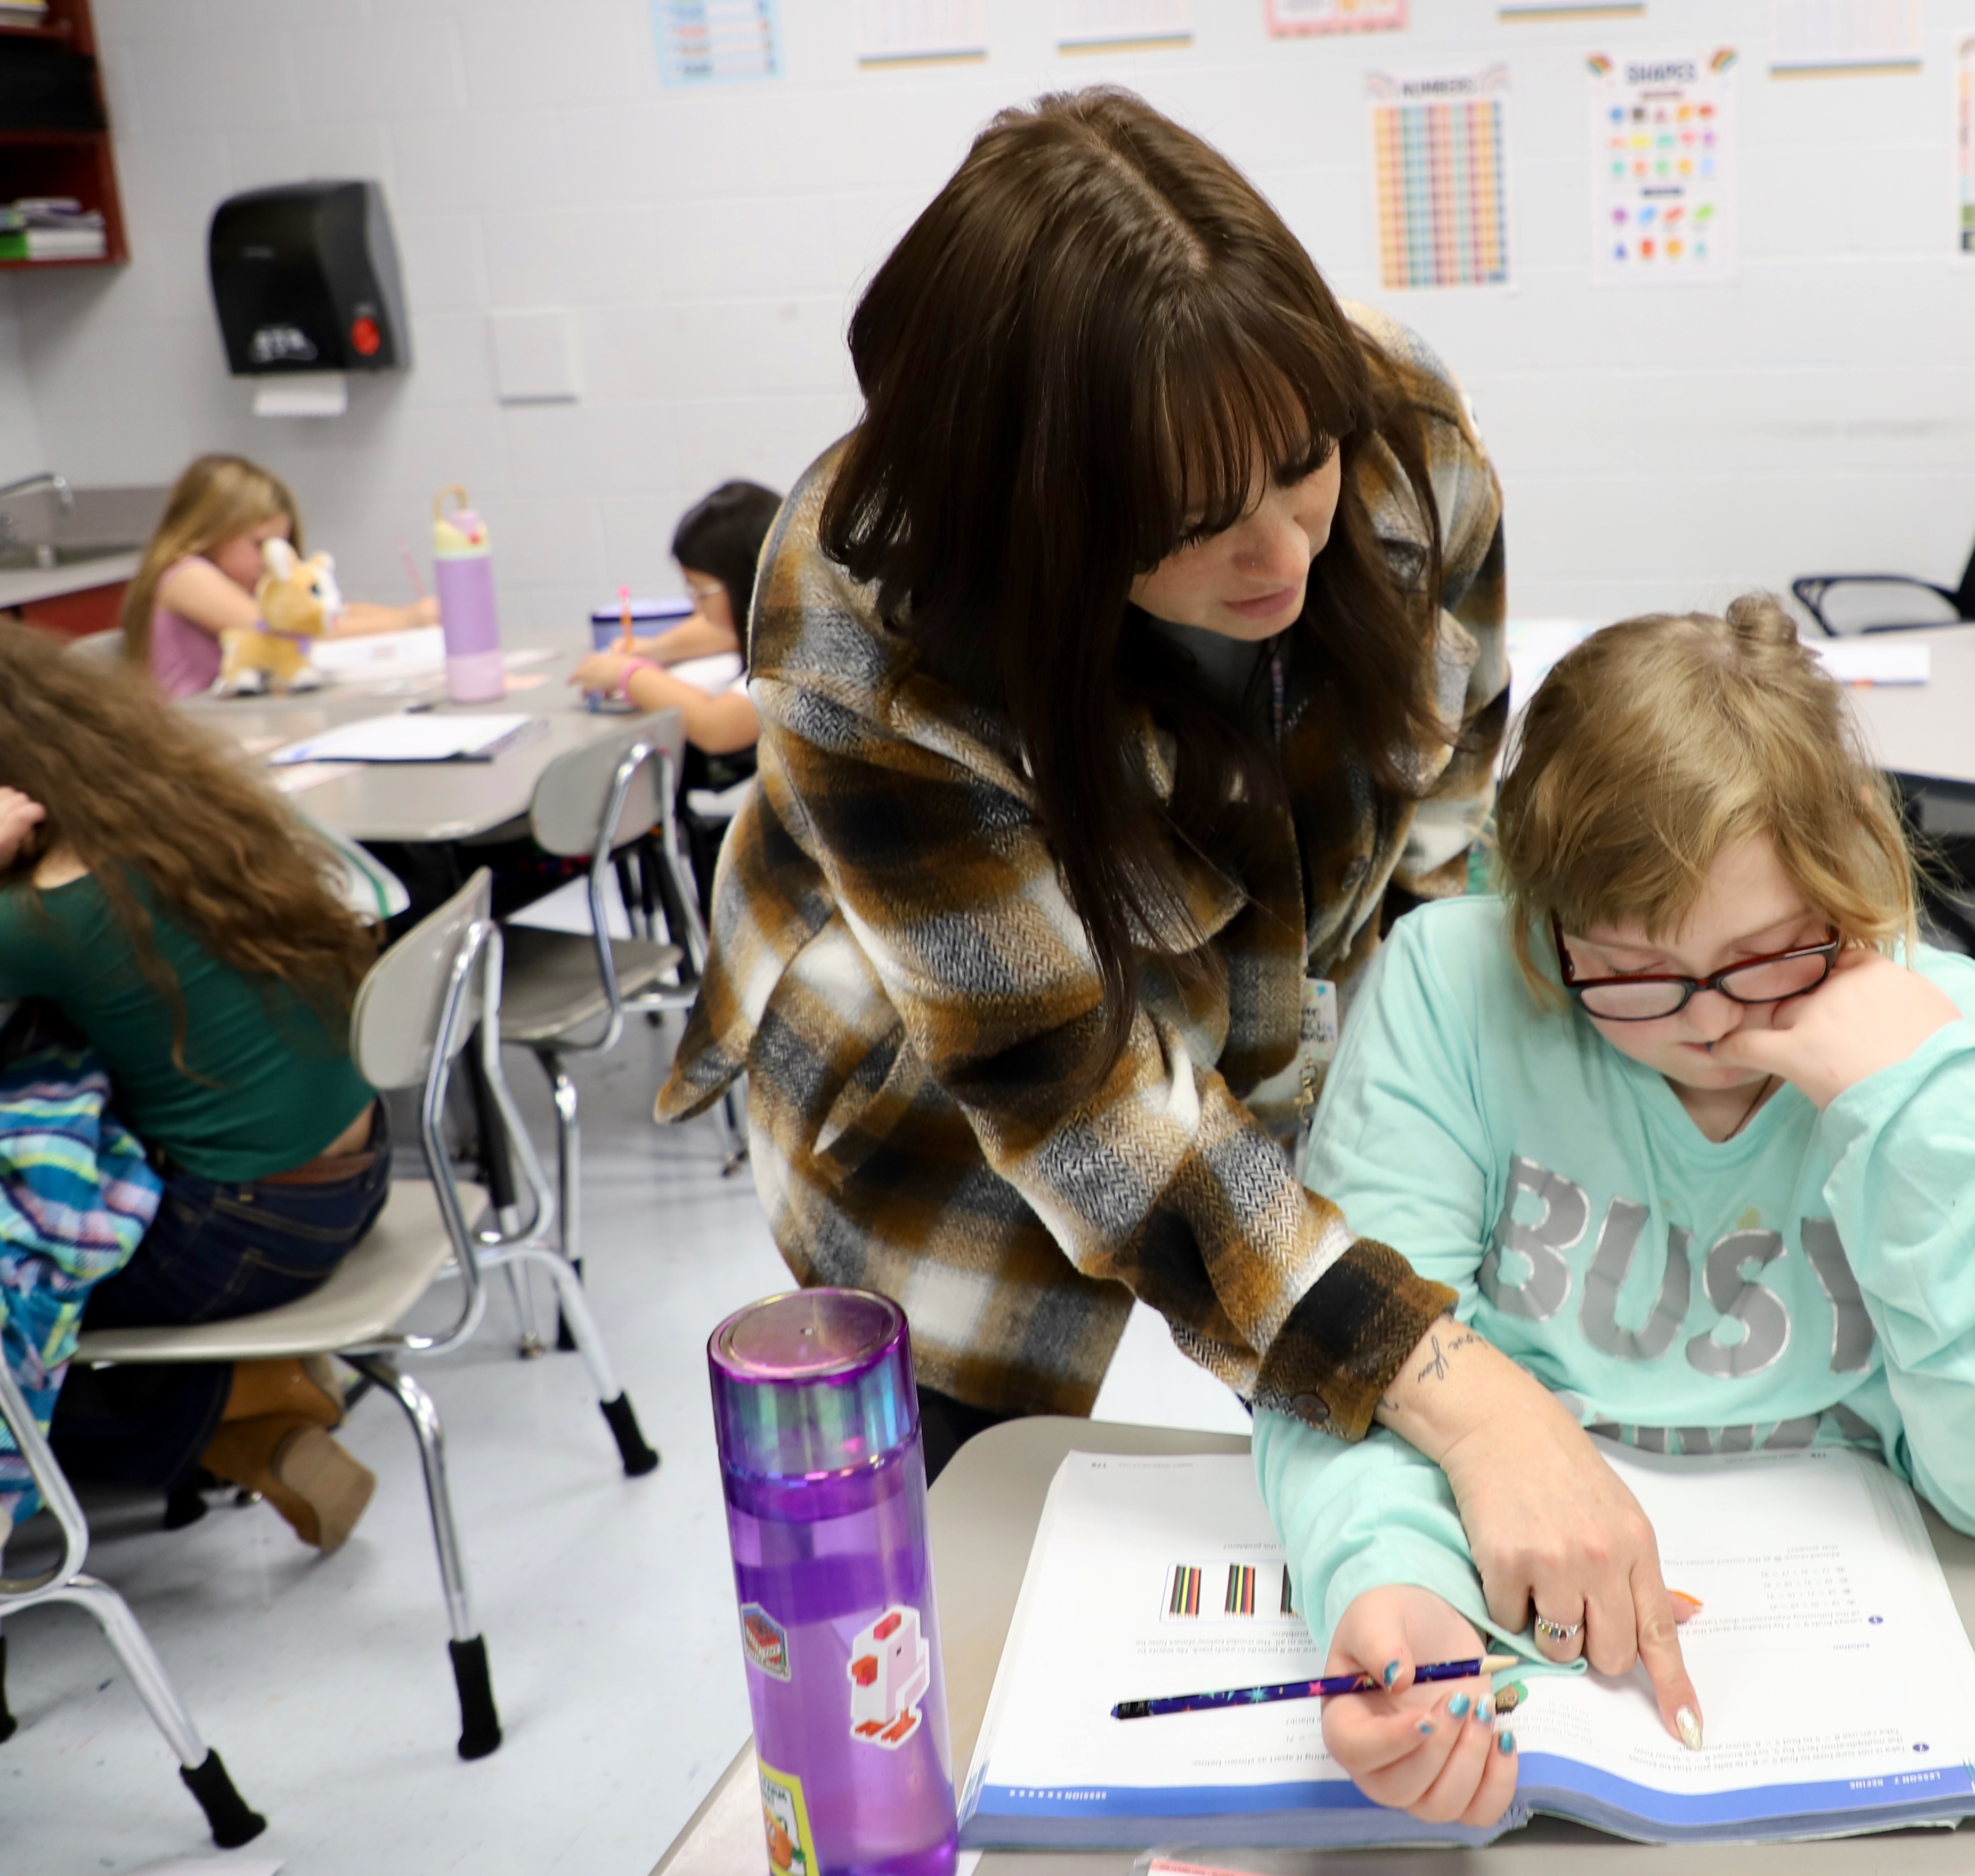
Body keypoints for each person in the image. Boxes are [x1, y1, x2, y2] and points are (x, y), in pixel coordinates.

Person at [660, 88, 1703, 1725]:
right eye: (1188, 526)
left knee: (1373, 1399)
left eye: (1299, 473)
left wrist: (1462, 1139)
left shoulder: (1396, 424)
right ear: (1034, 513)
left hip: (1285, 1001)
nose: (1282, 551)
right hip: (942, 1096)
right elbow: (1086, 1109)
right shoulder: (871, 610)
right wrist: (1460, 1393)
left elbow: (1446, 827)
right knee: (972, 1609)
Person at [1254, 597, 1975, 1826]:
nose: (1705, 1019)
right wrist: (1390, 1577)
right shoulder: (1454, 989)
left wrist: (1914, 1106)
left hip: (1862, 1668)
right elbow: (1362, 1354)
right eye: (1632, 973)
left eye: (1764, 956)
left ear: (1847, 873)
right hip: (1533, 1662)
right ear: (1537, 916)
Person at [0, 617, 392, 1551]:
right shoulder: (149, 815)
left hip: (242, 1233)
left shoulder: (46, 914)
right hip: (350, 1176)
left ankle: (231, 1406)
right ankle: (240, 1417)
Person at [569, 480, 778, 896]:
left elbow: (719, 728)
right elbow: (723, 629)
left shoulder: (797, 644)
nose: (695, 605)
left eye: (701, 591)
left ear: (747, 579)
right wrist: (653, 651)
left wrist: (630, 677)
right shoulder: (784, 601)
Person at [120, 454, 436, 697]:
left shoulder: (243, 585)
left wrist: (409, 616)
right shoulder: (187, 577)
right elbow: (283, 630)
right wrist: (404, 622)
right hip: (191, 734)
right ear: (208, 533)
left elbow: (322, 613)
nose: (273, 560)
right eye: (260, 545)